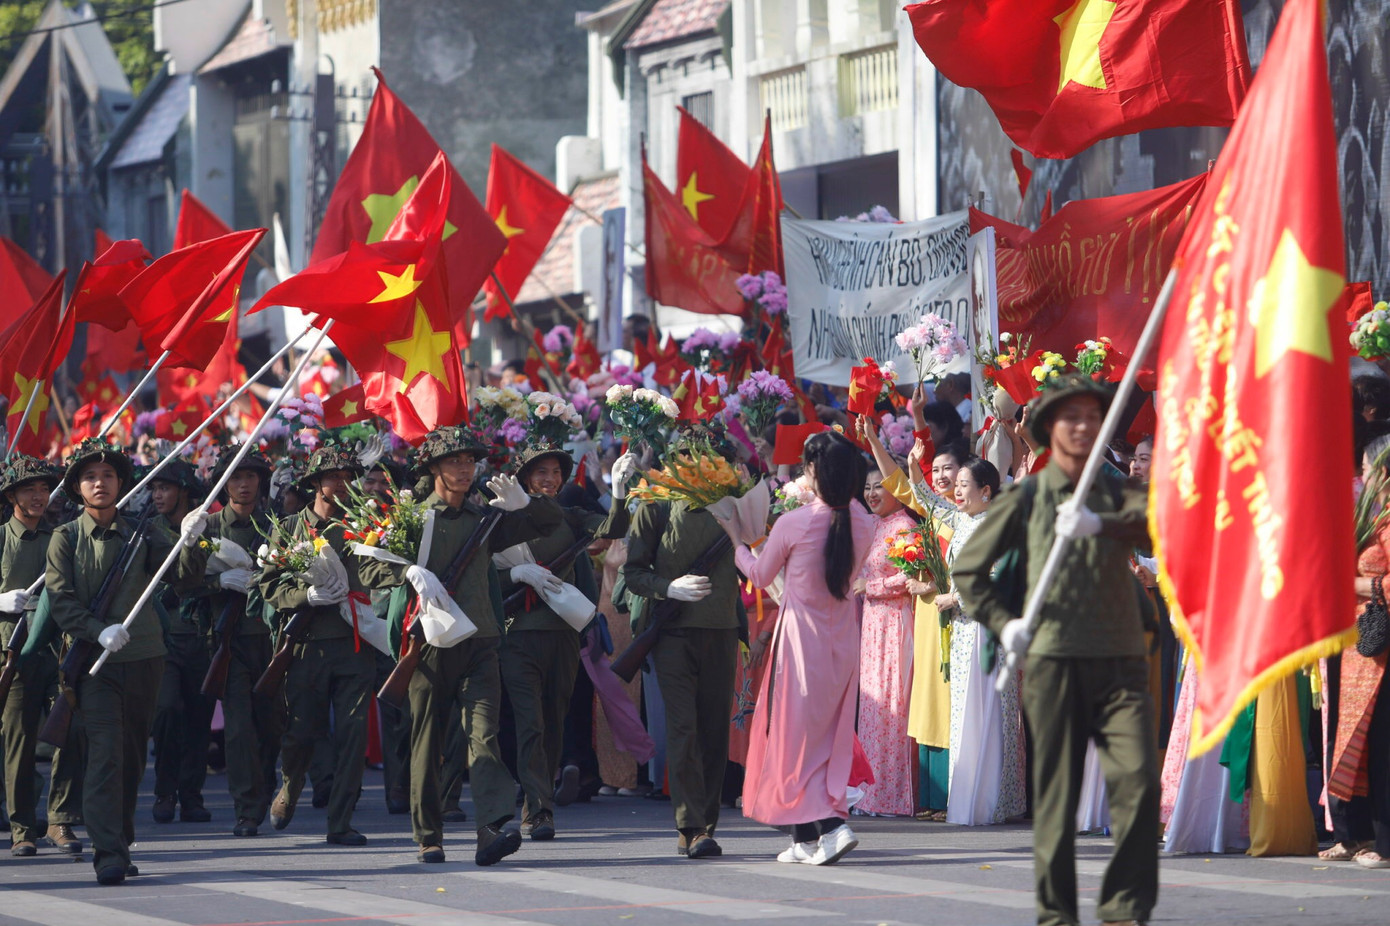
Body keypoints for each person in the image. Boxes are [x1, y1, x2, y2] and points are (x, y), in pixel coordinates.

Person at [953, 375, 1159, 926]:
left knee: (1138, 786)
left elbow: (1165, 524)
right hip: (1054, 661)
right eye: (1072, 416)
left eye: (1093, 415)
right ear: (1049, 429)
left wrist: (1105, 524)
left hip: (1120, 663)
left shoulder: (1116, 490)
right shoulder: (1026, 497)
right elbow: (969, 570)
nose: (1084, 425)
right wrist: (1005, 621)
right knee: (1057, 803)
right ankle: (1057, 916)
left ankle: (1124, 911)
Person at [364, 426, 562, 866]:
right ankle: (428, 835)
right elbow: (367, 566)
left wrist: (527, 505)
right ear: (433, 467)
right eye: (454, 460)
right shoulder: (411, 518)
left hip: (480, 642)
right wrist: (408, 573)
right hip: (428, 646)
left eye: (470, 460)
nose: (464, 468)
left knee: (484, 737)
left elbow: (550, 524)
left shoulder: (483, 520)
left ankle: (490, 827)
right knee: (427, 739)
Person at [46, 439, 209, 885]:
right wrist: (96, 630)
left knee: (134, 755)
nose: (101, 484)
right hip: (93, 664)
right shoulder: (65, 537)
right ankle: (108, 853)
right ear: (78, 488)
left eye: (109, 477)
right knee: (105, 756)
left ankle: (120, 838)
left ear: (121, 484)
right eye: (91, 477)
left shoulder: (144, 532)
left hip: (144, 658)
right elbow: (60, 600)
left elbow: (183, 577)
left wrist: (192, 541)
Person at [718, 430, 874, 864]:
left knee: (793, 740)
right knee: (824, 739)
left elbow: (761, 575)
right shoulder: (865, 521)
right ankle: (804, 838)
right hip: (842, 641)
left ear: (812, 472)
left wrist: (737, 540)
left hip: (801, 643)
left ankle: (832, 826)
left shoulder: (795, 521)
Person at [495, 438, 629, 841]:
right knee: (530, 723)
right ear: (524, 478)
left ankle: (540, 798)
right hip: (517, 634)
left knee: (553, 722)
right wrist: (515, 575)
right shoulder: (501, 517)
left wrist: (619, 494)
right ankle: (537, 810)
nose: (550, 479)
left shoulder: (569, 516)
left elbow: (612, 528)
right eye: (541, 472)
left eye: (555, 472)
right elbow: (482, 576)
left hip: (562, 636)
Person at [621, 425, 744, 860]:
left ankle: (705, 822)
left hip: (722, 628)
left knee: (713, 731)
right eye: (690, 455)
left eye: (711, 456)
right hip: (672, 632)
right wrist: (668, 587)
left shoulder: (735, 502)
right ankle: (690, 825)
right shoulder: (656, 502)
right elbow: (633, 572)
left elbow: (756, 553)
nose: (701, 463)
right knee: (683, 728)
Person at [260, 442, 377, 846]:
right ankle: (290, 787)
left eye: (349, 478)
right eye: (334, 478)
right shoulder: (290, 528)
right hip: (306, 646)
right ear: (316, 484)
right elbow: (269, 584)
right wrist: (302, 597)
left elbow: (380, 571)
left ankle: (340, 821)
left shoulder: (364, 525)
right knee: (300, 733)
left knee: (352, 735)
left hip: (354, 644)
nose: (343, 485)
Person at [186, 444, 280, 837]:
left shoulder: (278, 524)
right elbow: (183, 584)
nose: (244, 485)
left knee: (272, 727)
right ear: (223, 485)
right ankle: (247, 807)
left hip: (272, 641)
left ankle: (265, 787)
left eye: (251, 476)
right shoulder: (208, 527)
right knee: (239, 728)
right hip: (231, 640)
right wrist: (215, 580)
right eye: (236, 477)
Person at [0, 455, 67, 857]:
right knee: (19, 744)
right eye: (30, 488)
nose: (39, 495)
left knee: (70, 735)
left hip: (57, 649)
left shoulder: (61, 538)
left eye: (44, 488)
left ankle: (60, 819)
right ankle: (22, 827)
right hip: (14, 652)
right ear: (12, 496)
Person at [147, 458, 215, 825]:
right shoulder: (146, 530)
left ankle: (191, 795)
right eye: (155, 488)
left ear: (185, 493)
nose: (158, 495)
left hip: (201, 638)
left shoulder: (205, 529)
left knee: (198, 720)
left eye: (166, 487)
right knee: (168, 710)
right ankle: (164, 790)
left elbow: (213, 574)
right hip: (162, 639)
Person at [852, 464, 918, 817]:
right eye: (867, 487)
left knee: (893, 705)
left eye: (880, 486)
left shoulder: (905, 526)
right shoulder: (873, 525)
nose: (872, 493)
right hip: (872, 623)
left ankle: (893, 795)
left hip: (894, 621)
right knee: (873, 706)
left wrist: (872, 586)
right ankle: (870, 791)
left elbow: (910, 577)